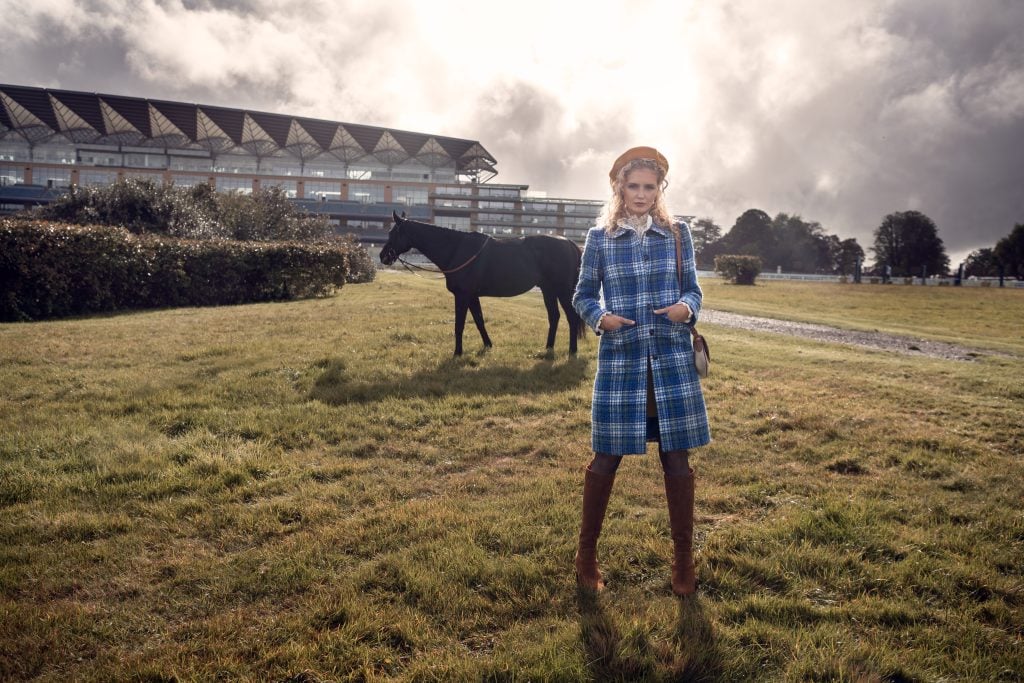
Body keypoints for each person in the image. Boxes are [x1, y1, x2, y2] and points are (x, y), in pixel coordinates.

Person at [571, 146, 711, 596]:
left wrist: (684, 309)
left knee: (677, 458)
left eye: (650, 187)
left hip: (670, 362)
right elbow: (582, 296)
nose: (642, 194)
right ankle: (586, 556)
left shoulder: (676, 234)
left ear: (660, 189)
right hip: (623, 362)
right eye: (633, 186)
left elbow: (694, 290)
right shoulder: (599, 239)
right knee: (606, 457)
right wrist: (601, 318)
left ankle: (683, 561)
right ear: (618, 188)